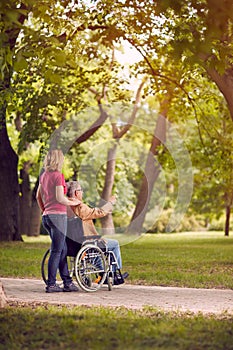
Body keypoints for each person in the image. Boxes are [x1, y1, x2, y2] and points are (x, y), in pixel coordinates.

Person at [66, 180, 128, 284]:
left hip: (71, 244)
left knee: (97, 250)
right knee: (114, 244)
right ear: (77, 193)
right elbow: (99, 212)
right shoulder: (80, 207)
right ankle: (113, 274)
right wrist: (110, 203)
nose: (82, 193)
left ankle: (104, 274)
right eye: (81, 190)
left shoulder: (65, 207)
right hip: (86, 242)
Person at [36, 149, 81, 293]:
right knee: (56, 251)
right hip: (58, 217)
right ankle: (51, 284)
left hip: (47, 217)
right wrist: (74, 202)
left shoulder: (44, 176)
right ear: (59, 160)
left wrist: (45, 210)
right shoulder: (58, 176)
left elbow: (38, 196)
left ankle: (67, 282)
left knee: (63, 249)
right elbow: (60, 198)